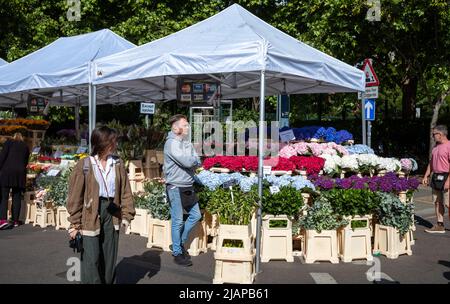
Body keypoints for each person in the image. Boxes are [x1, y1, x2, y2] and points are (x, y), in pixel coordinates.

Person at [67, 126, 135, 284]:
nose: (115, 144)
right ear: (102, 143)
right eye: (112, 141)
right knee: (92, 259)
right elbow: (75, 197)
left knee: (109, 258)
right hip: (90, 213)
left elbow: (125, 191)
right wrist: (74, 223)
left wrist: (126, 215)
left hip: (112, 213)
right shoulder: (84, 165)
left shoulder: (117, 163)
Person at [164, 114, 202, 267]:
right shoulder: (171, 143)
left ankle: (178, 243)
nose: (188, 127)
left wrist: (193, 161)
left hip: (187, 185)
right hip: (175, 186)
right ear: (175, 128)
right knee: (178, 220)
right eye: (185, 125)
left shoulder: (185, 142)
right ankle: (177, 252)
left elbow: (197, 160)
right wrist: (192, 161)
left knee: (196, 215)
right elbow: (188, 161)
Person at [422, 125, 450, 233]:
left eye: (434, 134)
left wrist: (448, 181)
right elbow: (431, 163)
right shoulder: (435, 148)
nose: (433, 136)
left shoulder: (449, 146)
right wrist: (426, 176)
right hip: (436, 177)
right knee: (437, 202)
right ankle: (440, 225)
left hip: (447, 176)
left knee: (448, 203)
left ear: (441, 134)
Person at [0, 133, 30, 230]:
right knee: (16, 196)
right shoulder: (25, 146)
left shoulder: (8, 143)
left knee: (4, 197)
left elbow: (2, 157)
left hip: (7, 172)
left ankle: (3, 220)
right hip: (20, 174)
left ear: (14, 137)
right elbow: (26, 161)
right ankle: (15, 220)